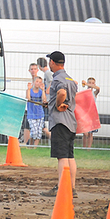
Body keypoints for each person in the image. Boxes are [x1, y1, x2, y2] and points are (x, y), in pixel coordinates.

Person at [41, 51, 78, 198]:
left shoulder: (57, 79)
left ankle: (62, 188)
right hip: (70, 122)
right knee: (69, 156)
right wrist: (50, 103)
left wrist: (56, 105)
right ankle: (72, 188)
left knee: (61, 157)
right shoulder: (70, 79)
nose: (49, 63)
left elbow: (62, 93)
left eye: (50, 61)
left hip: (60, 122)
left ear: (53, 63)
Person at [22, 63, 43, 144]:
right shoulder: (30, 84)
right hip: (31, 110)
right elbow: (28, 97)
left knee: (42, 129)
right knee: (29, 127)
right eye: (32, 69)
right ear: (29, 70)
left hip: (39, 109)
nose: (33, 71)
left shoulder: (40, 81)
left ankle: (34, 146)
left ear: (37, 70)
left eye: (35, 69)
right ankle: (28, 144)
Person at [81, 77, 101, 148]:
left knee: (91, 133)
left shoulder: (94, 92)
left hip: (92, 114)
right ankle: (84, 147)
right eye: (89, 82)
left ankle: (89, 148)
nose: (91, 84)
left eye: (92, 83)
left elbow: (98, 89)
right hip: (86, 113)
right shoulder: (84, 92)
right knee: (85, 133)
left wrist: (87, 84)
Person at [26, 76, 45, 146]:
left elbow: (44, 100)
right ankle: (30, 144)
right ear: (33, 82)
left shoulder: (41, 92)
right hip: (31, 114)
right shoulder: (29, 91)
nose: (38, 83)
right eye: (37, 82)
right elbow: (28, 98)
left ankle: (35, 147)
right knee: (34, 132)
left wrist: (43, 90)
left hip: (40, 114)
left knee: (39, 133)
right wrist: (28, 89)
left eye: (40, 82)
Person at [37, 57, 53, 139]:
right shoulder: (46, 73)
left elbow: (52, 81)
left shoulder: (48, 73)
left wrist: (48, 89)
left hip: (49, 99)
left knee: (45, 121)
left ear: (39, 66)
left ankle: (51, 137)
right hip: (47, 99)